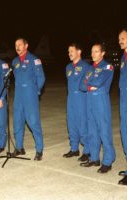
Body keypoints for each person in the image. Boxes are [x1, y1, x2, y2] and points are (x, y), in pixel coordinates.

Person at [80, 43, 116, 173]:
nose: (93, 54)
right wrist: (90, 85)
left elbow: (98, 82)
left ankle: (108, 160)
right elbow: (81, 86)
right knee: (92, 131)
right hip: (90, 100)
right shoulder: (89, 69)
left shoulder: (107, 67)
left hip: (101, 101)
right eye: (92, 51)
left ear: (102, 53)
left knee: (104, 131)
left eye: (96, 51)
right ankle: (94, 158)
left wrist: (88, 83)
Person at [11, 38, 45, 161]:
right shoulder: (14, 61)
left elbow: (41, 78)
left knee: (33, 123)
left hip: (29, 94)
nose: (17, 47)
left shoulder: (34, 60)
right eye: (16, 45)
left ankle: (39, 150)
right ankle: (19, 148)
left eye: (20, 44)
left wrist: (35, 91)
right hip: (18, 95)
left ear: (26, 45)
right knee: (17, 122)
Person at [63, 43, 90, 162]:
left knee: (83, 125)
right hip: (71, 100)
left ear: (79, 51)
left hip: (81, 99)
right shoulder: (68, 67)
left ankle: (87, 150)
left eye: (72, 51)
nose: (69, 53)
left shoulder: (86, 66)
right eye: (68, 51)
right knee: (71, 124)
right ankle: (74, 148)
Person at [118, 28, 127, 185]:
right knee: (124, 132)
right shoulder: (123, 57)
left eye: (123, 38)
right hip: (124, 99)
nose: (120, 40)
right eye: (119, 38)